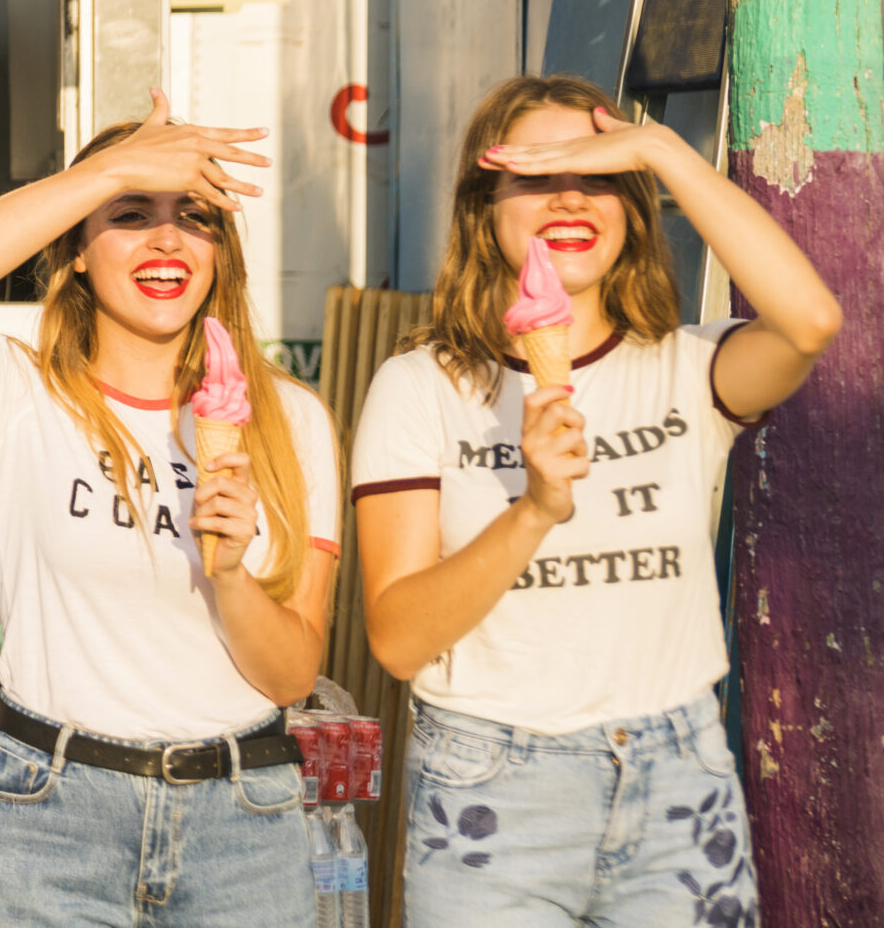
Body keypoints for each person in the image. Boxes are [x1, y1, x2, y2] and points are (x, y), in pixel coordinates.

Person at [354, 75, 838, 927]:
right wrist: (533, 507)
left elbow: (811, 321)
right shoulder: (421, 386)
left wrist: (658, 150)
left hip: (679, 780)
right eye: (536, 174)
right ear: (486, 208)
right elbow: (396, 638)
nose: (569, 194)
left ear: (635, 207)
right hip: (491, 793)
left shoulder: (689, 365)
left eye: (596, 171)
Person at [0, 93, 340, 926]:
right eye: (131, 215)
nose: (167, 239)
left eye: (194, 218)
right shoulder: (20, 400)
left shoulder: (293, 422)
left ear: (221, 254)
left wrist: (232, 573)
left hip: (241, 826)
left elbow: (291, 675)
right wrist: (111, 166)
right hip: (44, 819)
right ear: (74, 256)